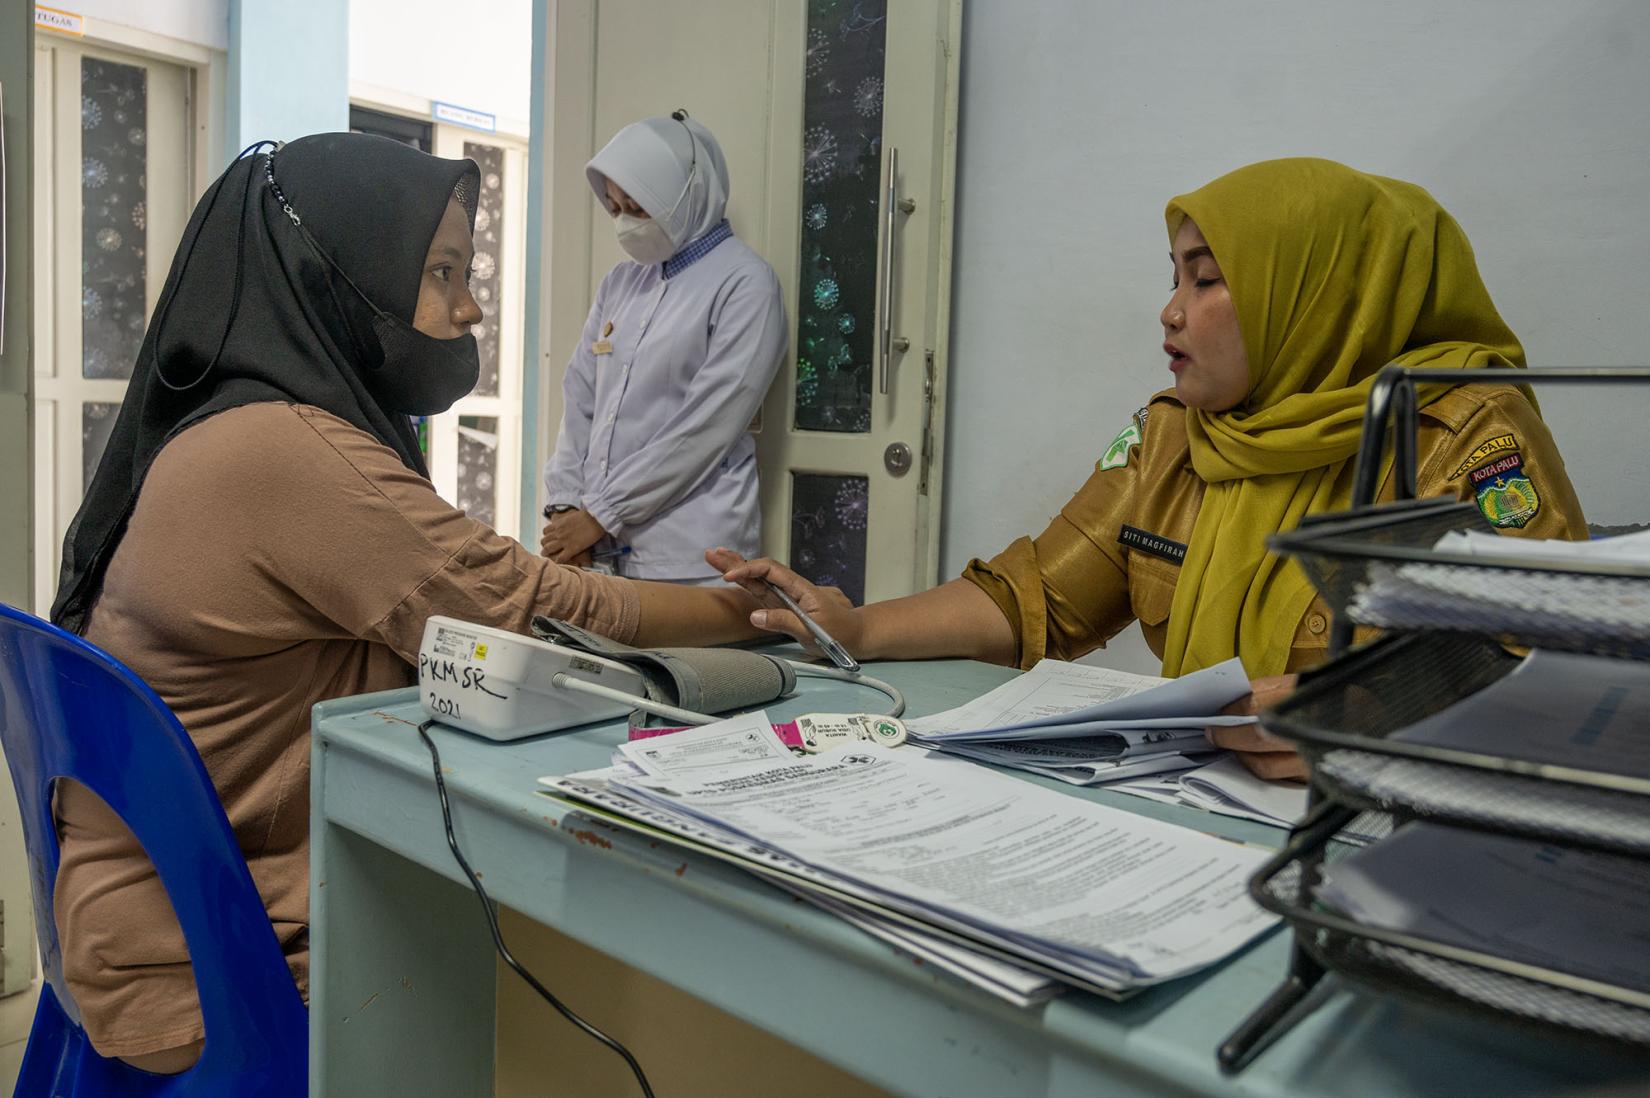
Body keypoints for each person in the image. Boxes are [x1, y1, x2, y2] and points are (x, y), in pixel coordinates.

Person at [48, 133, 763, 1072]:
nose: (469, 306)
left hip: (134, 909)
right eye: (439, 273)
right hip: (206, 948)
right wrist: (753, 613)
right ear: (339, 274)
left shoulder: (226, 419)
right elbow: (532, 604)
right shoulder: (287, 452)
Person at [711, 157, 1588, 780]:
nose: (1170, 311)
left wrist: (1363, 710)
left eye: (1206, 281)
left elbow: (1543, 662)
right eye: (1174, 277)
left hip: (1375, 839)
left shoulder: (1460, 431)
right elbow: (1038, 598)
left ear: (1319, 297)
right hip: (1204, 802)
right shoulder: (1180, 435)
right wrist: (854, 628)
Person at [540, 111, 786, 583]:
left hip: (692, 553)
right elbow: (580, 401)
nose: (625, 224)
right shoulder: (620, 283)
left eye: (638, 206)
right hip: (597, 546)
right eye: (614, 208)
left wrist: (599, 514)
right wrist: (566, 506)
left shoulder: (746, 284)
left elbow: (705, 427)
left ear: (685, 194)